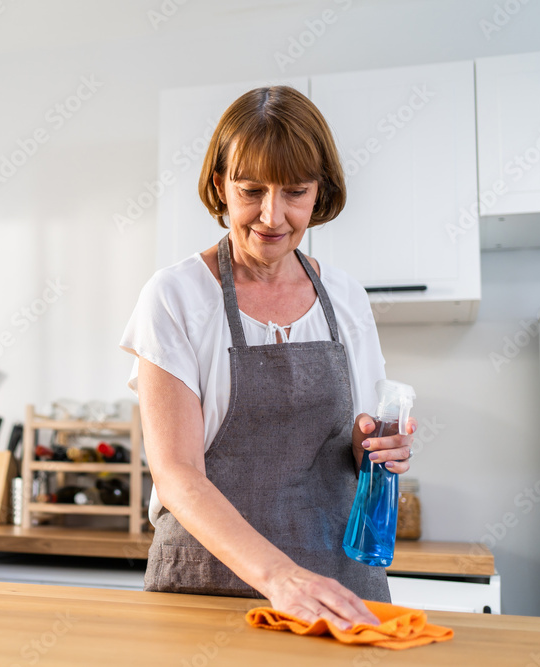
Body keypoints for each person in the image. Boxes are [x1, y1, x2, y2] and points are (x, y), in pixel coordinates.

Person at [119, 86, 417, 629]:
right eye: (251, 189)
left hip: (337, 585)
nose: (272, 215)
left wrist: (380, 445)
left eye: (295, 192)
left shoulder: (347, 298)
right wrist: (279, 576)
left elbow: (357, 435)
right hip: (207, 589)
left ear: (318, 193)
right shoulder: (176, 297)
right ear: (220, 186)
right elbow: (178, 473)